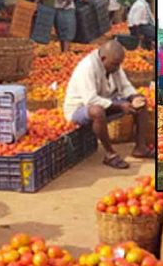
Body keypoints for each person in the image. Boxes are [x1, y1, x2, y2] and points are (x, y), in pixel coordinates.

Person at [63, 40, 153, 169]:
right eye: (115, 64)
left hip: (105, 102)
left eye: (118, 64)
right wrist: (120, 106)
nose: (117, 68)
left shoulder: (113, 65)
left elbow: (125, 86)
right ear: (103, 58)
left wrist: (133, 97)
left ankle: (140, 147)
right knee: (97, 112)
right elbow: (91, 100)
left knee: (141, 101)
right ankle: (110, 154)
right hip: (79, 109)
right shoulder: (87, 67)